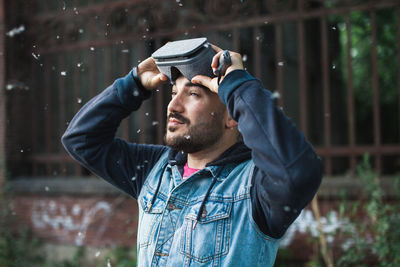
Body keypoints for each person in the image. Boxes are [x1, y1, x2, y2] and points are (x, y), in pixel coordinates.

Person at [62, 41, 323, 267]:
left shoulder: (257, 187)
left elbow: (298, 173)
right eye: (174, 93)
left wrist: (238, 85)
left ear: (232, 116)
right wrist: (134, 83)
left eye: (193, 94)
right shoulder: (155, 168)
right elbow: (81, 140)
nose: (173, 106)